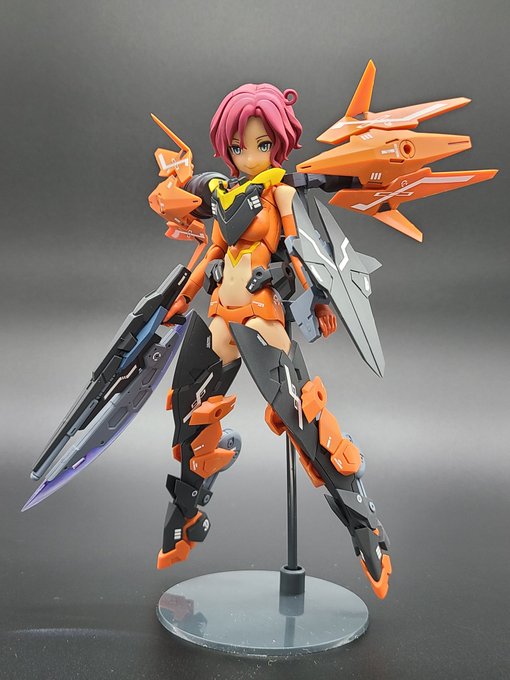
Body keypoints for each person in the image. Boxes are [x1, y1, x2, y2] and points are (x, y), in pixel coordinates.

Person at [155, 82, 392, 599]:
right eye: (238, 146)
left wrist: (304, 290)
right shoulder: (223, 193)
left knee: (301, 418)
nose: (249, 155)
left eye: (261, 144)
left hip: (262, 319)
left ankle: (363, 521)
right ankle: (188, 511)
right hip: (220, 318)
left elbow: (300, 251)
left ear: (278, 144)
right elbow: (210, 253)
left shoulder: (281, 193)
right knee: (187, 410)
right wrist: (180, 299)